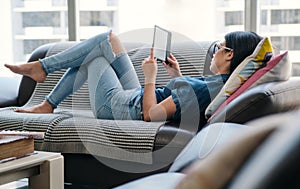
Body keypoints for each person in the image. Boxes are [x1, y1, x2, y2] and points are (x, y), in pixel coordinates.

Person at [4, 30, 262, 129]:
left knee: (96, 55)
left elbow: (150, 114)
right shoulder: (218, 83)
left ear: (229, 55)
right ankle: (46, 92)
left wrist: (151, 78)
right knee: (110, 39)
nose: (215, 49)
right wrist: (176, 75)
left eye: (220, 46)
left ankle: (42, 70)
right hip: (134, 98)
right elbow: (185, 98)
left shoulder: (210, 89)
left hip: (120, 108)